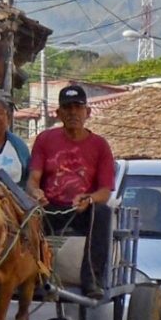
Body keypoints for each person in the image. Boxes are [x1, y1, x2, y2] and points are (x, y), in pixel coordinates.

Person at [27, 83, 116, 294]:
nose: (73, 112)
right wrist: (35, 192)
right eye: (67, 108)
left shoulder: (100, 146)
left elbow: (105, 191)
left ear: (88, 112)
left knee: (102, 212)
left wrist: (89, 199)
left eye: (78, 107)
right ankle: (31, 273)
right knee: (23, 212)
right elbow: (33, 180)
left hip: (82, 210)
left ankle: (92, 279)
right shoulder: (45, 140)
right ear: (58, 113)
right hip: (49, 207)